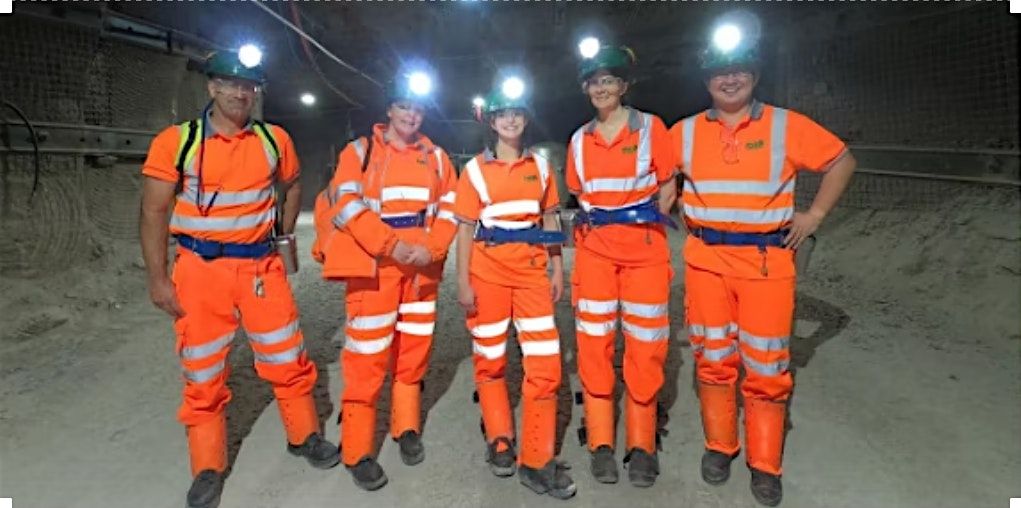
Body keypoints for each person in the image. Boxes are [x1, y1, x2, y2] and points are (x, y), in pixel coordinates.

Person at [139, 49, 339, 508]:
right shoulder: (178, 142)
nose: (239, 92)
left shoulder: (273, 140)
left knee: (288, 356)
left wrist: (283, 237)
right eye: (229, 83)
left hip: (259, 268)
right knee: (204, 370)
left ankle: (304, 436)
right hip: (199, 270)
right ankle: (207, 466)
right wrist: (157, 278)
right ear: (211, 87)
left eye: (248, 85)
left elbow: (292, 184)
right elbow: (153, 210)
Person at [670, 16, 856, 506]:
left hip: (767, 266)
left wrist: (815, 214)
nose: (729, 80)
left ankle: (764, 463)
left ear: (754, 75)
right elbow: (657, 175)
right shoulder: (684, 132)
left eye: (739, 71)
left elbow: (841, 161)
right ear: (706, 80)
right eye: (718, 73)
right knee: (713, 360)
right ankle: (720, 446)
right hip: (706, 262)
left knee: (767, 365)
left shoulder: (785, 126)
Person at [313, 67, 458, 491]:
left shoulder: (437, 157)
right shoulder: (358, 152)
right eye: (403, 106)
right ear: (389, 109)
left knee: (413, 352)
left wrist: (430, 249)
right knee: (367, 358)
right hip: (375, 268)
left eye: (418, 108)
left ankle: (406, 427)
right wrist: (391, 246)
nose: (411, 115)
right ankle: (358, 450)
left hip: (420, 269)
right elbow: (347, 207)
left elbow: (451, 209)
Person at [454, 76, 576, 499]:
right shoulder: (473, 171)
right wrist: (462, 280)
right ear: (491, 121)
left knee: (545, 366)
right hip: (487, 275)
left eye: (517, 113)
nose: (510, 120)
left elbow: (550, 221)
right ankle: (500, 439)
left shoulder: (541, 167)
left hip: (530, 276)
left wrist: (557, 267)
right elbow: (465, 230)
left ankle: (537, 459)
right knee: (490, 360)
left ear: (526, 118)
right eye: (502, 114)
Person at [565, 42, 679, 488]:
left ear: (624, 85)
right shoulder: (578, 140)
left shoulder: (652, 129)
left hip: (644, 251)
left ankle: (643, 445)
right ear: (586, 88)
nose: (601, 87)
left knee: (645, 346)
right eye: (594, 81)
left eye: (609, 80)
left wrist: (649, 222)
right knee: (594, 344)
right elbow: (580, 195)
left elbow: (667, 186)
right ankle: (600, 443)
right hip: (595, 252)